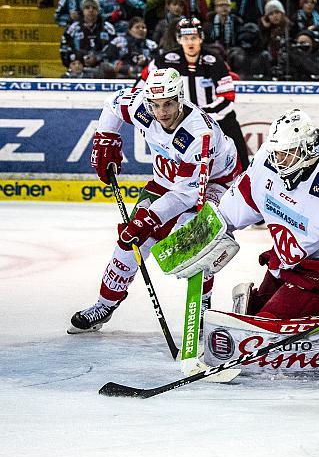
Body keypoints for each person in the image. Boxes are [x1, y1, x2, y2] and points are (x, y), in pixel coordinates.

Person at [68, 67, 240, 333]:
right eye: (156, 105)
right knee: (129, 242)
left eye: (169, 103)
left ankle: (202, 307)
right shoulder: (142, 108)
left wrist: (149, 217)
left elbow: (188, 194)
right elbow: (113, 104)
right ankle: (104, 305)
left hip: (214, 183)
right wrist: (106, 139)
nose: (163, 112)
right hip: (166, 181)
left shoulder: (198, 135)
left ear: (180, 99)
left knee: (195, 247)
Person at [212, 108, 319, 331]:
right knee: (252, 312)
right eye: (277, 153)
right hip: (286, 262)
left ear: (308, 149)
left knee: (265, 323)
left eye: (287, 153)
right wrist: (212, 228)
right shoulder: (268, 159)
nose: (279, 160)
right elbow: (243, 201)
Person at [147, 17, 250, 175]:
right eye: (186, 38)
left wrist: (202, 114)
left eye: (194, 38)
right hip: (183, 123)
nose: (190, 43)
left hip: (219, 122)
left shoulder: (215, 61)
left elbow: (228, 99)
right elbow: (142, 87)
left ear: (201, 38)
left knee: (241, 162)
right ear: (179, 39)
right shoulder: (164, 61)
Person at [59, 0, 116, 77]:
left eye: (94, 8)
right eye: (87, 7)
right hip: (79, 68)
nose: (91, 10)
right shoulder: (73, 28)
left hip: (102, 68)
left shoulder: (108, 28)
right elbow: (64, 49)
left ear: (98, 10)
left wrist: (97, 57)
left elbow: (114, 49)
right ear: (82, 10)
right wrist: (76, 61)